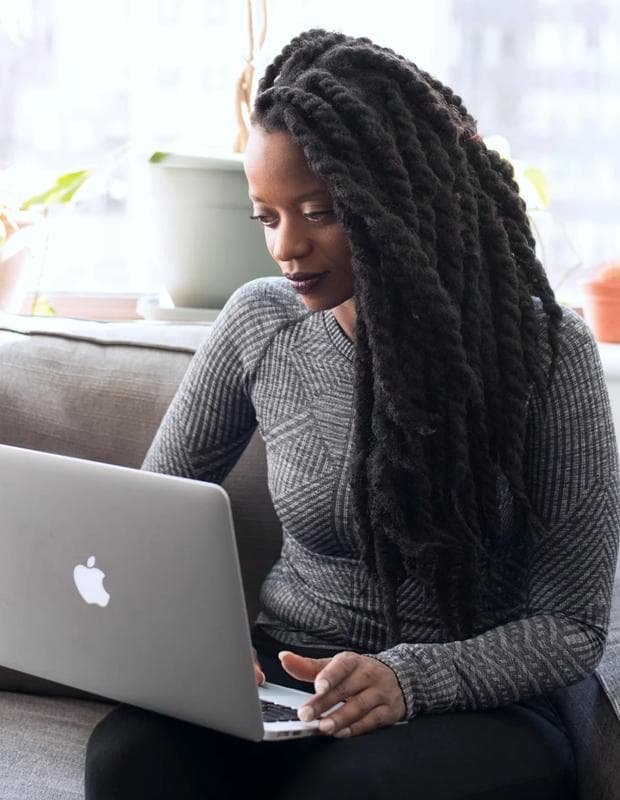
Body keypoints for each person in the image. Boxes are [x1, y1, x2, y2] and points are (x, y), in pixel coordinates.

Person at [84, 29, 619, 799]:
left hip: (471, 703)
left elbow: (571, 625)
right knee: (129, 759)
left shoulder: (547, 354)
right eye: (265, 217)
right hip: (289, 673)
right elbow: (145, 515)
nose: (287, 247)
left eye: (319, 211)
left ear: (400, 201)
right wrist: (199, 645)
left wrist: (406, 681)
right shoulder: (260, 325)